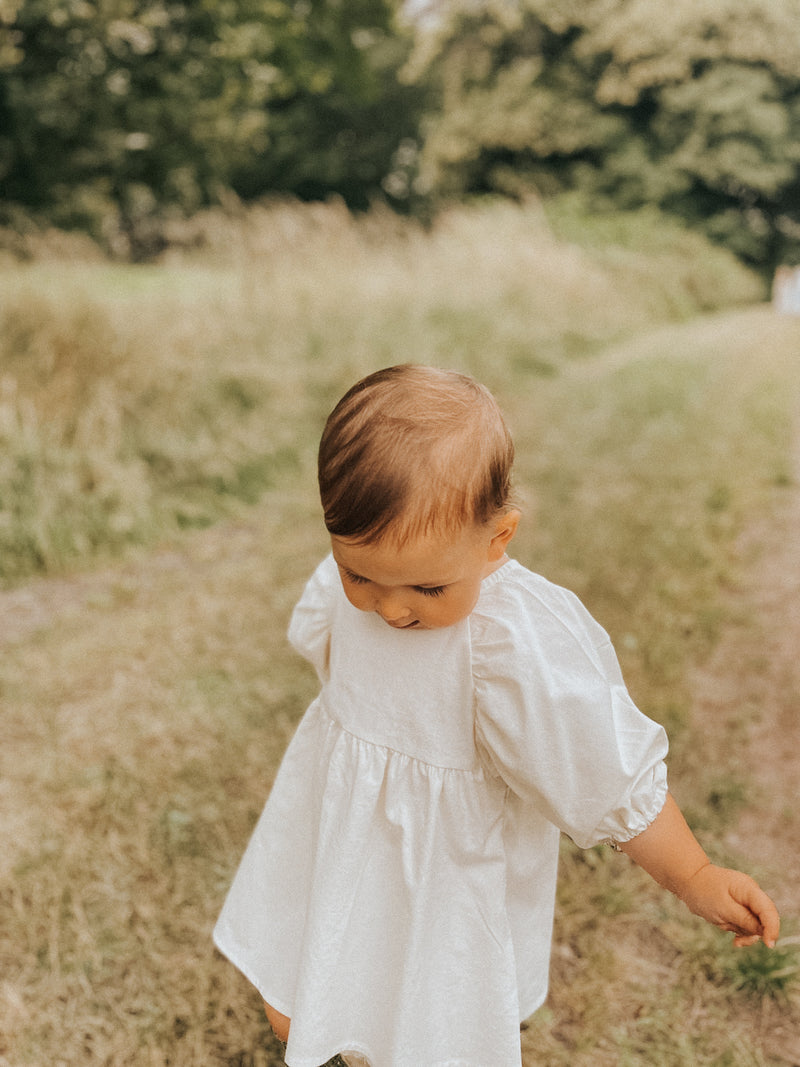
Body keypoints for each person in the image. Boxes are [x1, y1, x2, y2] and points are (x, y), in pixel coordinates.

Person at [214, 365, 780, 1067]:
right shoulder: (351, 579)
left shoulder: (504, 645)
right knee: (297, 1006)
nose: (391, 608)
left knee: (429, 1029)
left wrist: (692, 874)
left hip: (444, 879)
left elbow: (598, 765)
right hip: (341, 842)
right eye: (361, 575)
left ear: (497, 539)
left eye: (426, 585)